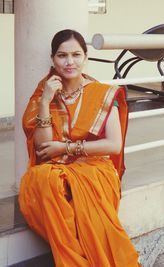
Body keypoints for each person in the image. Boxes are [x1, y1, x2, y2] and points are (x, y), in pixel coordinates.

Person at [19, 29, 141, 267]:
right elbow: (43, 146)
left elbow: (113, 145)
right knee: (42, 178)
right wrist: (45, 101)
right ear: (53, 59)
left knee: (77, 195)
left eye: (76, 55)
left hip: (94, 167)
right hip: (56, 166)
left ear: (85, 57)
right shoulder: (43, 92)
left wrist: (66, 147)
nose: (69, 62)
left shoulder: (103, 93)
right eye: (62, 56)